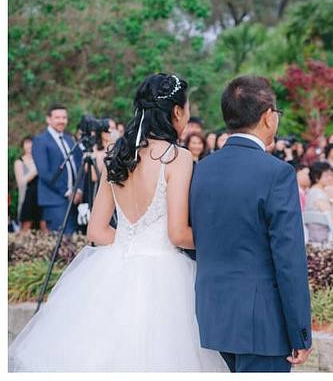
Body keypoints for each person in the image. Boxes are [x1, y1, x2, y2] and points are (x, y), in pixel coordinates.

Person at [9, 73, 229, 371]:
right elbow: (177, 234)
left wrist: (131, 243)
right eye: (187, 107)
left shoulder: (117, 155)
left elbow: (97, 230)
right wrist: (220, 240)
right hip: (165, 275)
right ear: (177, 112)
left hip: (112, 270)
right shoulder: (178, 157)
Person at [190, 75, 311, 372]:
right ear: (268, 117)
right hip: (263, 324)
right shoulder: (277, 173)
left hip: (212, 315)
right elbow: (288, 258)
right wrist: (300, 332)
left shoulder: (201, 170)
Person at [32, 104, 83, 234]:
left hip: (75, 199)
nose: (61, 121)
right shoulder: (40, 141)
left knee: (75, 239)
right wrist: (67, 191)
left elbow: (80, 166)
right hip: (55, 199)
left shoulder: (69, 139)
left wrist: (78, 190)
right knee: (63, 241)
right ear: (48, 119)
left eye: (64, 117)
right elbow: (45, 173)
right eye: (57, 117)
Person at [304, 162, 333, 243]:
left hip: (316, 235)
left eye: (330, 175)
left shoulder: (313, 192)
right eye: (326, 176)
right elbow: (332, 218)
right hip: (324, 237)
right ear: (317, 178)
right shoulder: (318, 194)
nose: (330, 178)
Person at [16, 136, 46, 231]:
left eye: (31, 143)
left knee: (44, 225)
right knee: (26, 224)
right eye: (27, 143)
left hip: (42, 196)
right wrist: (35, 170)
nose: (29, 146)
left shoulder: (41, 159)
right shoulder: (19, 162)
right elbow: (21, 182)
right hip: (28, 197)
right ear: (23, 145)